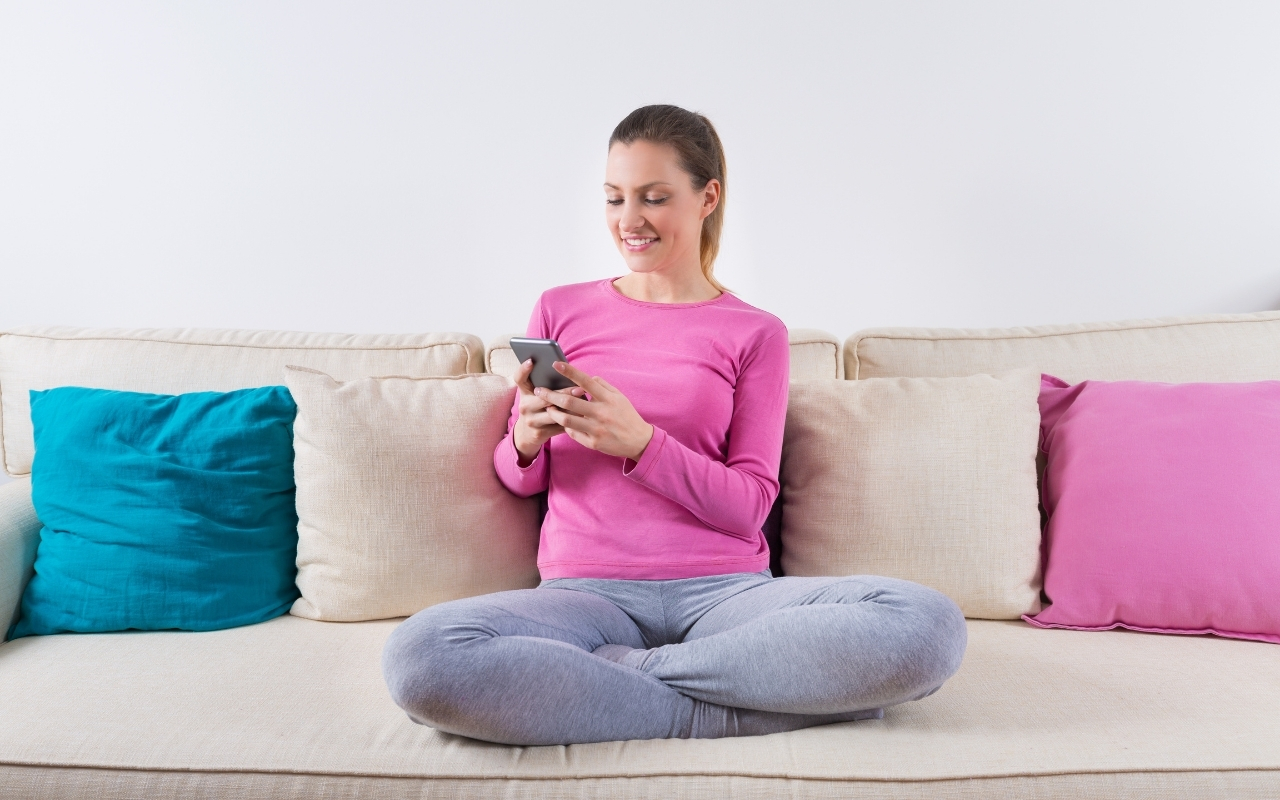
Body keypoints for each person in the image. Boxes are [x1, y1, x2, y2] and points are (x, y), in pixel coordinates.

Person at [381, 104, 967, 746]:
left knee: (926, 625)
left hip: (726, 596)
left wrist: (643, 444)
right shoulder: (559, 309)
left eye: (654, 198)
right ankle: (724, 710)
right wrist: (525, 440)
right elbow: (522, 481)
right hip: (586, 596)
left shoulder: (755, 332)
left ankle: (624, 681)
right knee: (421, 657)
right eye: (615, 198)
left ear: (706, 197)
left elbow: (750, 506)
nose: (628, 221)